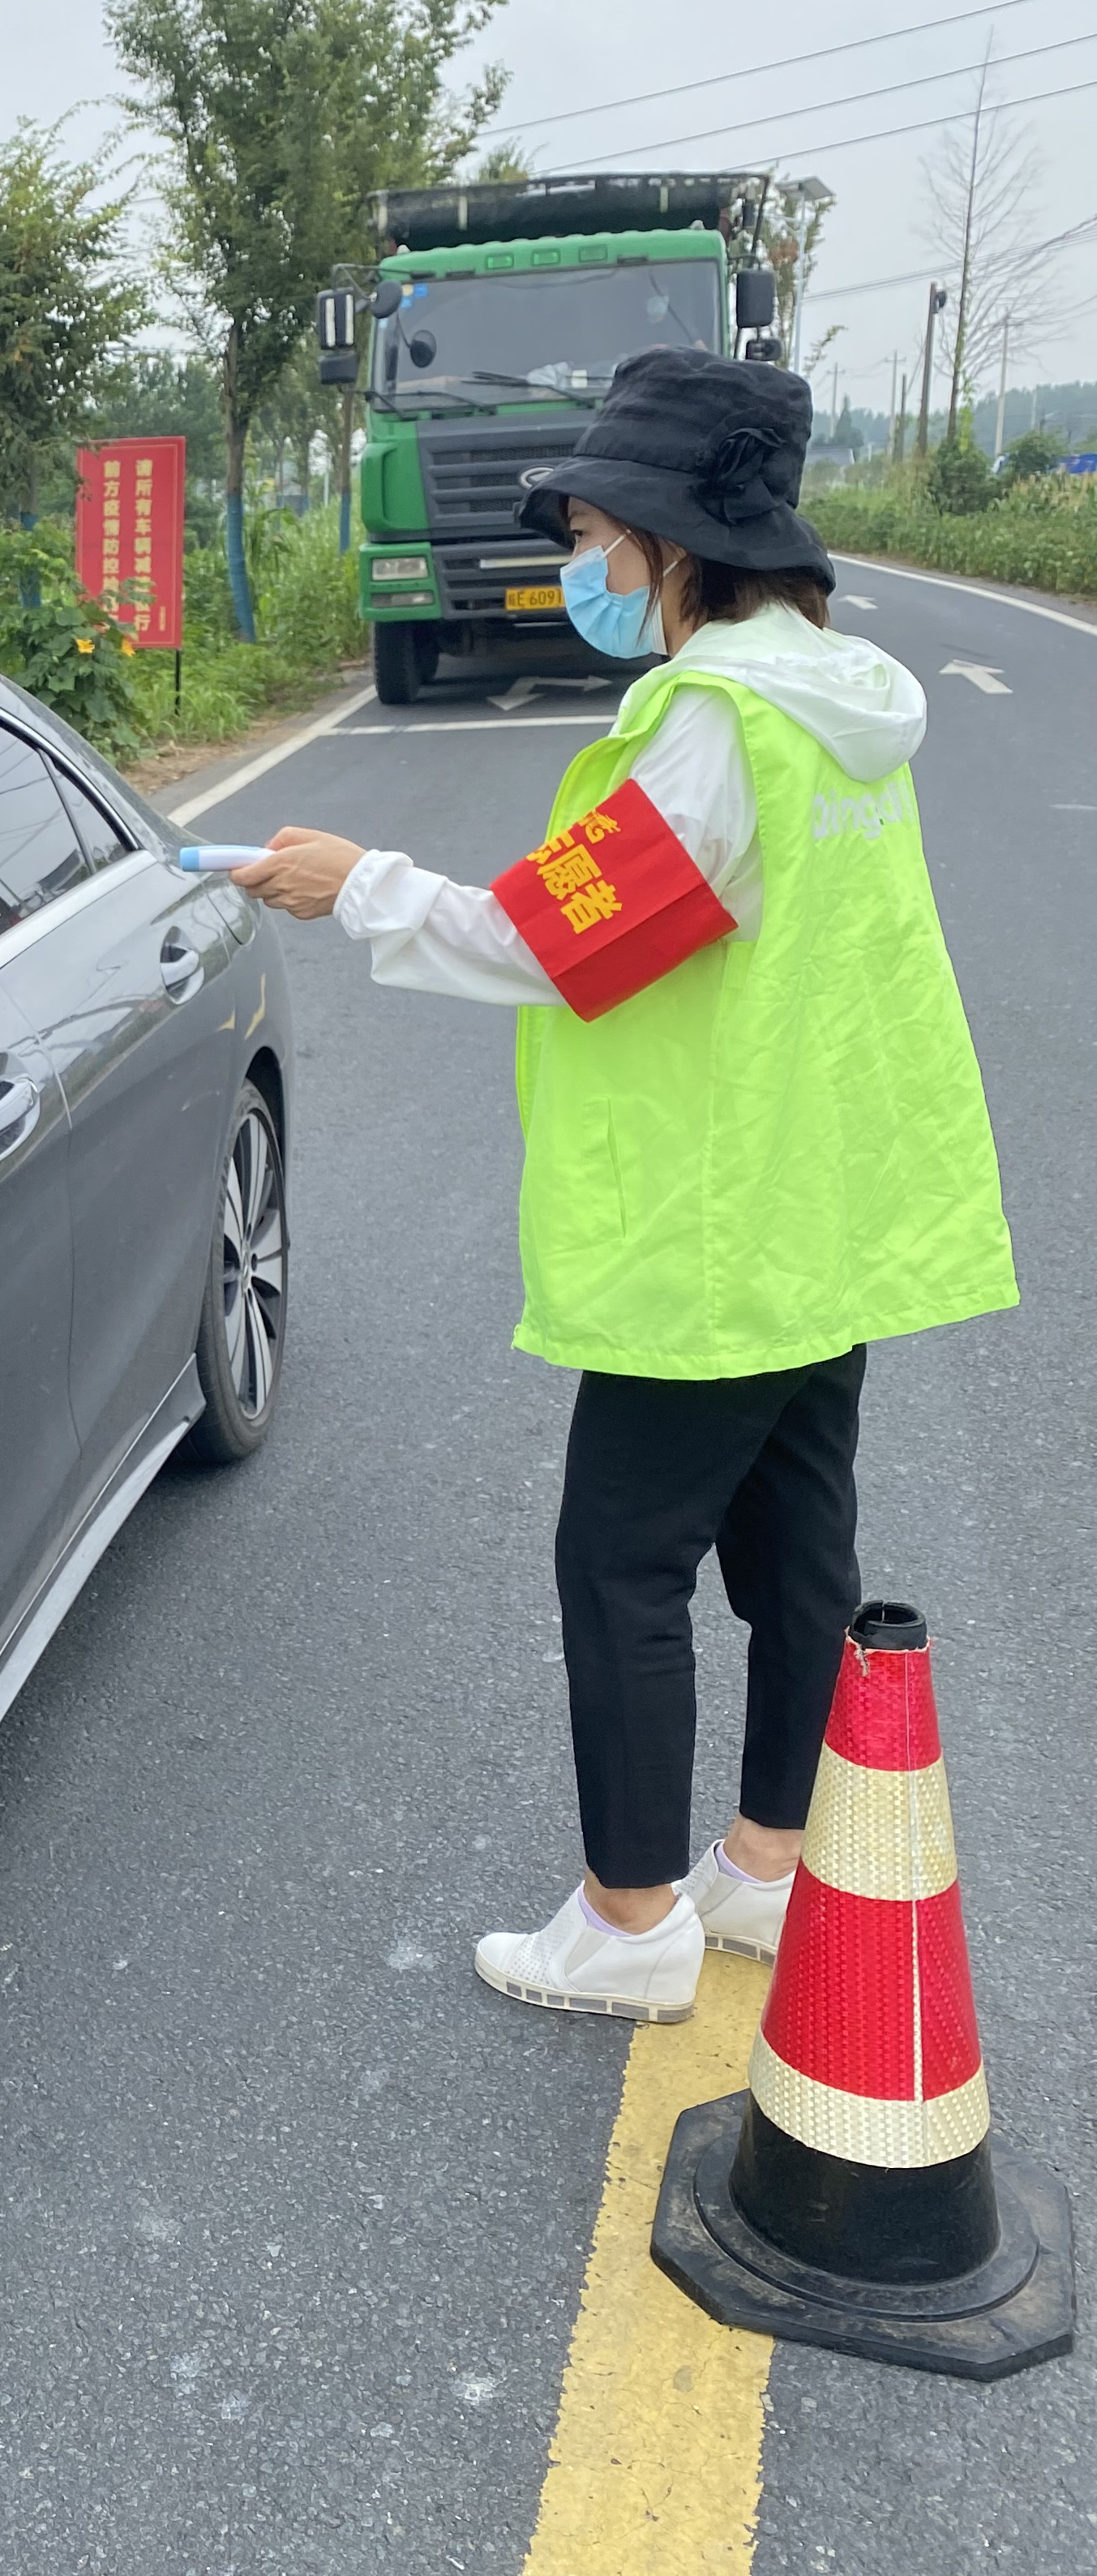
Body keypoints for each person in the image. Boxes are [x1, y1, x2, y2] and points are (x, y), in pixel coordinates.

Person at [236, 348, 1017, 2022]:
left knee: (621, 1560)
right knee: (796, 1548)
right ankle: (765, 1866)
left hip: (718, 1225)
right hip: (830, 1207)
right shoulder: (842, 708)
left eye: (594, 536)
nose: (578, 567)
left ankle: (631, 1918)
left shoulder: (721, 728)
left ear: (676, 543)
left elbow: (557, 940)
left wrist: (356, 881)